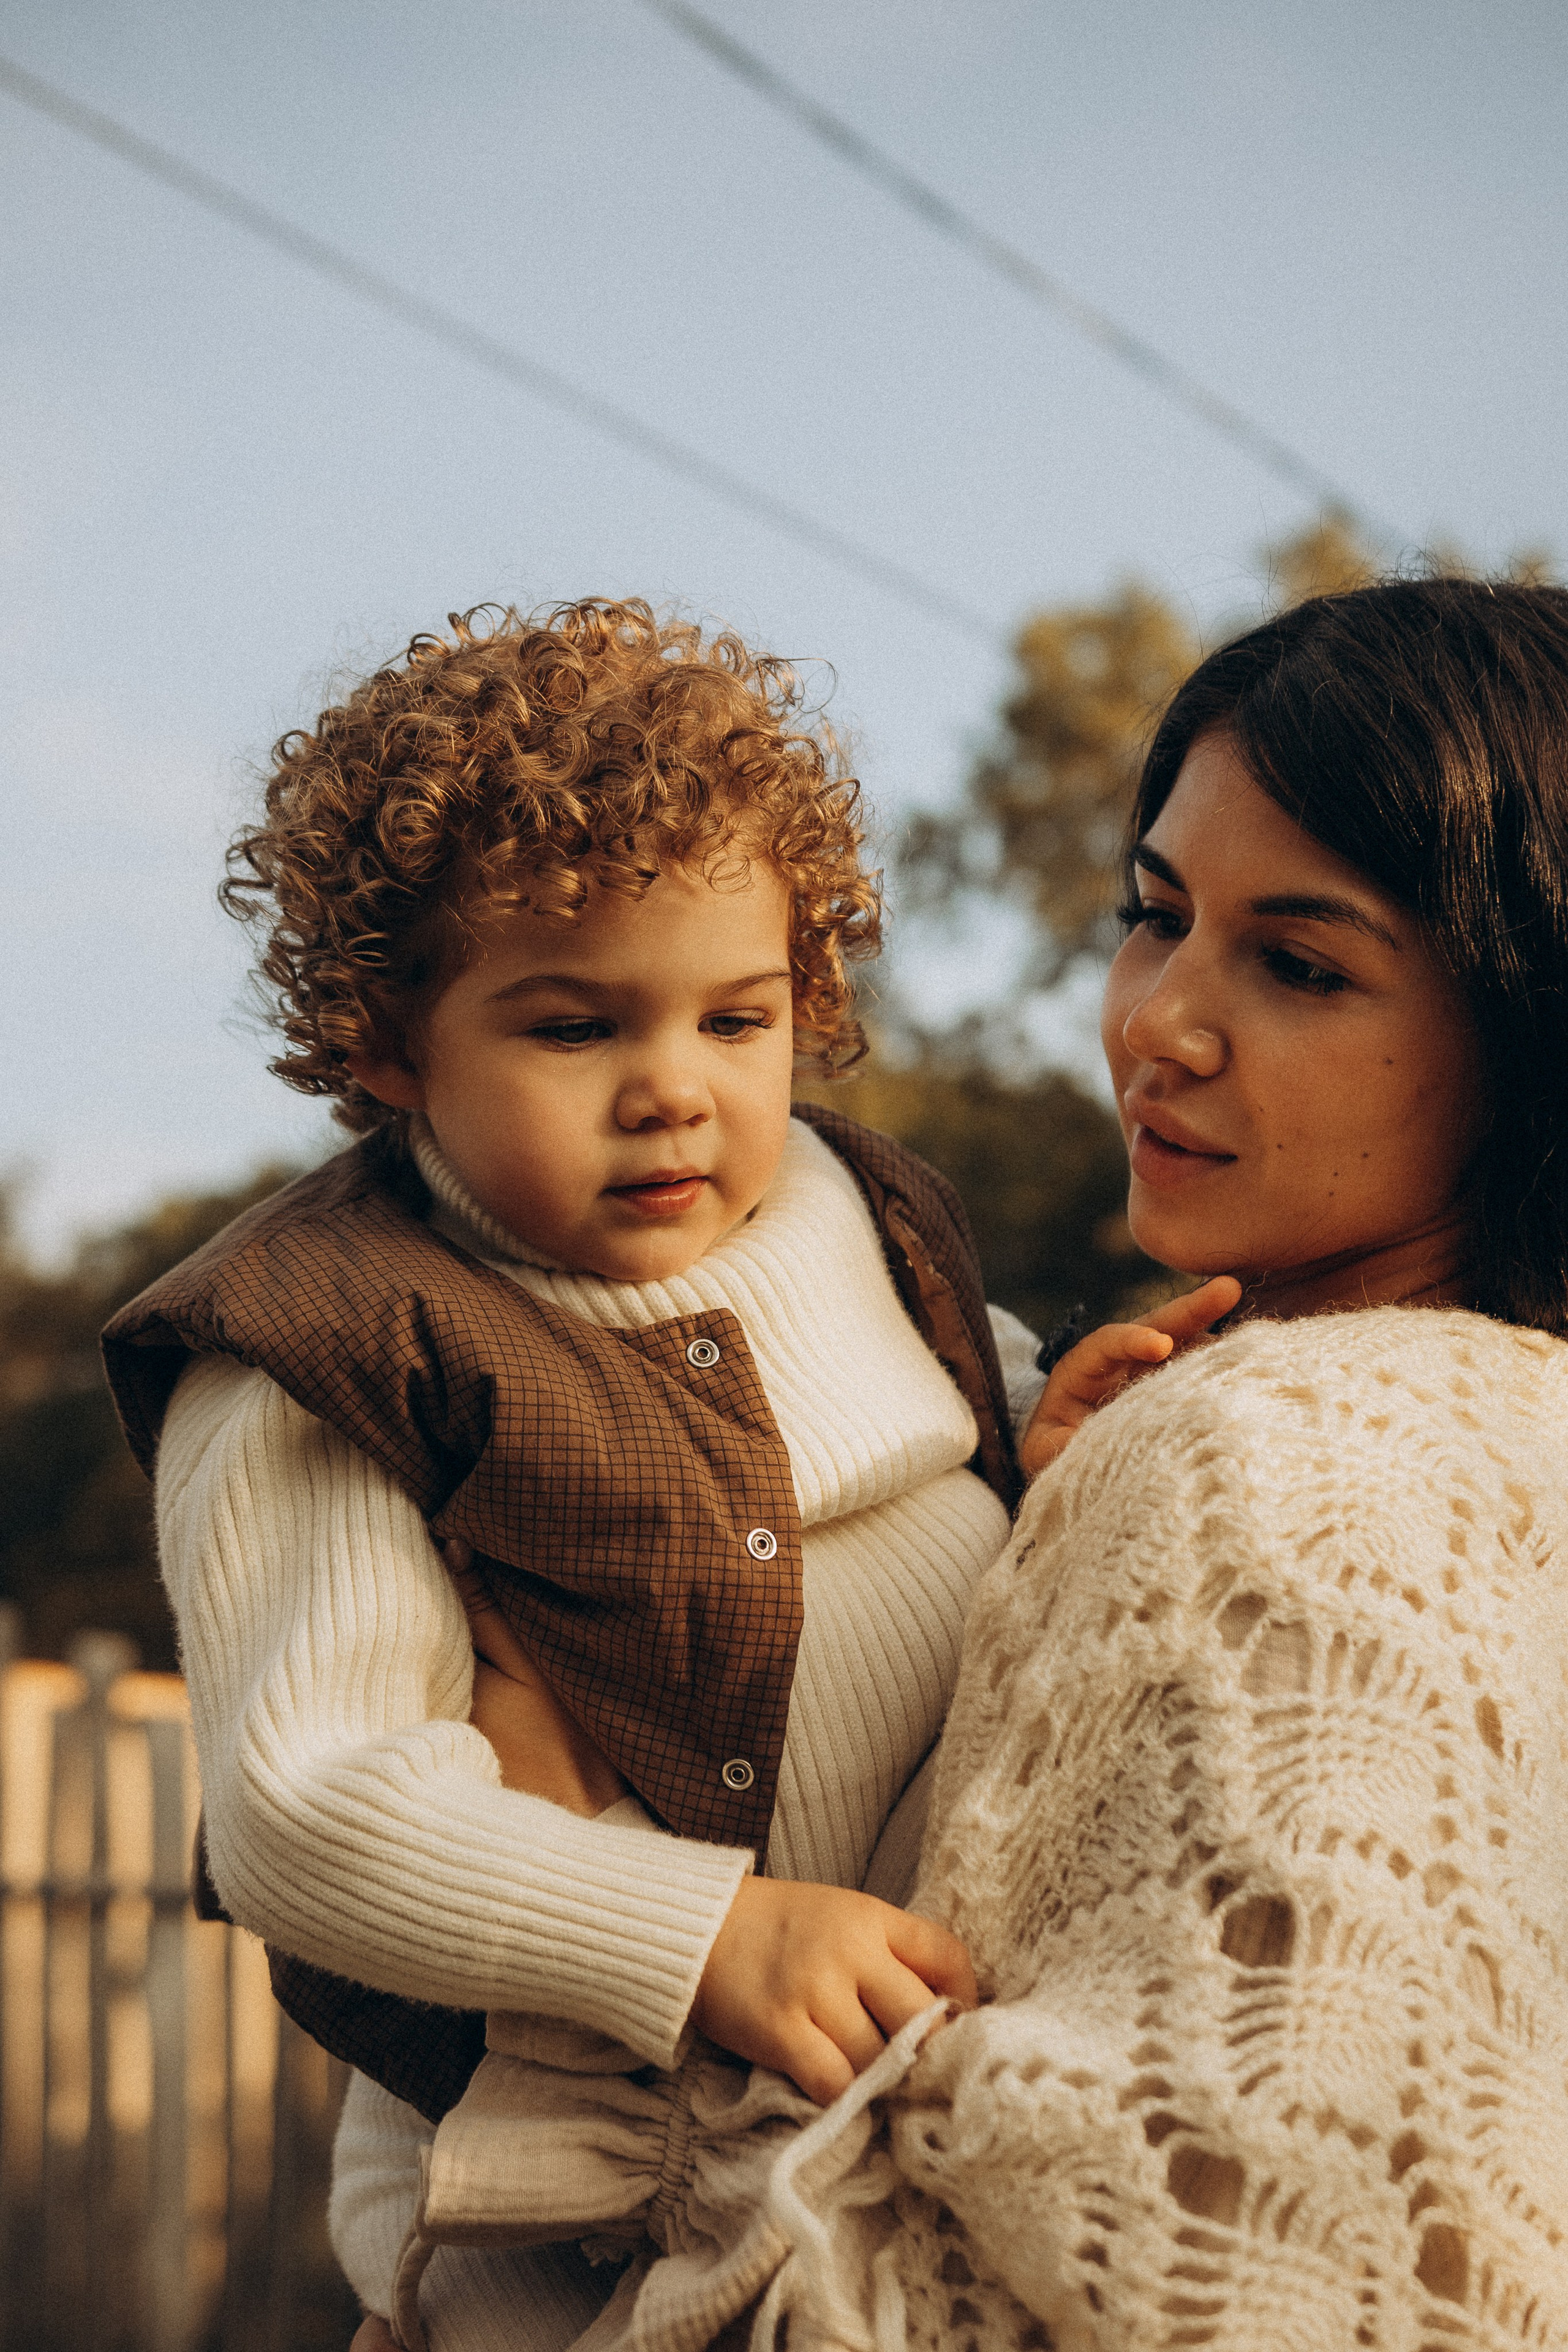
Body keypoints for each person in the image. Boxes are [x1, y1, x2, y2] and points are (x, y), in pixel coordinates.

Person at [395, 575, 1568, 2346]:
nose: (1157, 1022)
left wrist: (591, 1895)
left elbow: (1221, 2267)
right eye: (1154, 914)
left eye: (1301, 964)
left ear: (1527, 1033)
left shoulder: (1264, 1450)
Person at [100, 598, 1235, 2351]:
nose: (674, 1094)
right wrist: (707, 1934)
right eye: (574, 1030)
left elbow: (958, 1431)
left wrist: (1047, 1452)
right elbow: (305, 1814)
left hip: (882, 2117)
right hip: (560, 2210)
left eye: (737, 1020)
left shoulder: (871, 1216)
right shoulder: (328, 1347)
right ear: (387, 1039)